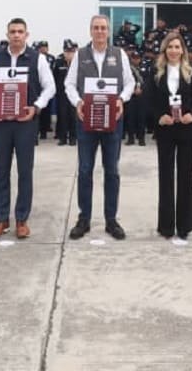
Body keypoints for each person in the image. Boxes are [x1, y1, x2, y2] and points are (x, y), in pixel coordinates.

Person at [0, 18, 56, 240]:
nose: (16, 35)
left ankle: (22, 219)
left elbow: (50, 87)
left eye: (20, 31)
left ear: (27, 34)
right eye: (12, 31)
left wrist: (37, 107)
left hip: (25, 123)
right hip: (1, 123)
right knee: (1, 172)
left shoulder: (37, 59)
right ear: (7, 33)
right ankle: (1, 219)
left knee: (25, 172)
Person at [65, 16, 135, 240]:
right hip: (86, 120)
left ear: (108, 31)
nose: (100, 32)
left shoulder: (119, 54)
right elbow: (69, 84)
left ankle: (111, 220)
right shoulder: (80, 55)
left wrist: (121, 99)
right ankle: (84, 218)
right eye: (96, 28)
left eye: (103, 28)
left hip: (112, 120)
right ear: (90, 31)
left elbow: (130, 82)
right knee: (85, 170)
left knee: (112, 171)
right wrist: (77, 102)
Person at [150, 32, 192, 240]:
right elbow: (149, 100)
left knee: (185, 176)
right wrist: (159, 117)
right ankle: (165, 226)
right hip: (165, 130)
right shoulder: (156, 73)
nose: (174, 50)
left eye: (177, 47)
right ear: (165, 50)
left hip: (186, 129)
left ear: (183, 50)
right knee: (166, 177)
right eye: (170, 47)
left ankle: (185, 226)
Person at [53, 39, 78, 146]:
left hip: (74, 94)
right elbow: (54, 77)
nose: (69, 54)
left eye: (71, 52)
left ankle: (73, 137)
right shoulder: (58, 62)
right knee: (62, 116)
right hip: (62, 94)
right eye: (67, 52)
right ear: (64, 52)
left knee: (73, 116)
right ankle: (62, 138)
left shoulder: (77, 63)